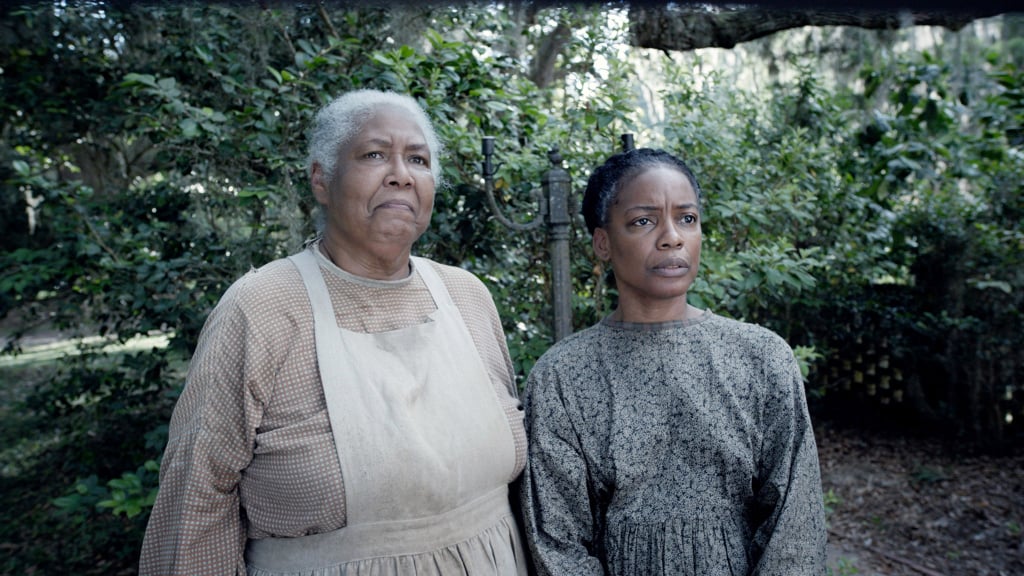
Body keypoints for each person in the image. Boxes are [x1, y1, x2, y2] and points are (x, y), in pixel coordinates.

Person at [139, 89, 529, 575]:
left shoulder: (467, 296)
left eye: (418, 160)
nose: (401, 175)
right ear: (321, 179)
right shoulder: (263, 306)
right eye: (374, 154)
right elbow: (198, 495)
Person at [518, 148, 827, 575]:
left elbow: (796, 525)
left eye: (687, 218)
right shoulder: (562, 377)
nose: (672, 237)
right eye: (644, 221)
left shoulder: (762, 358)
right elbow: (556, 541)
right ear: (603, 242)